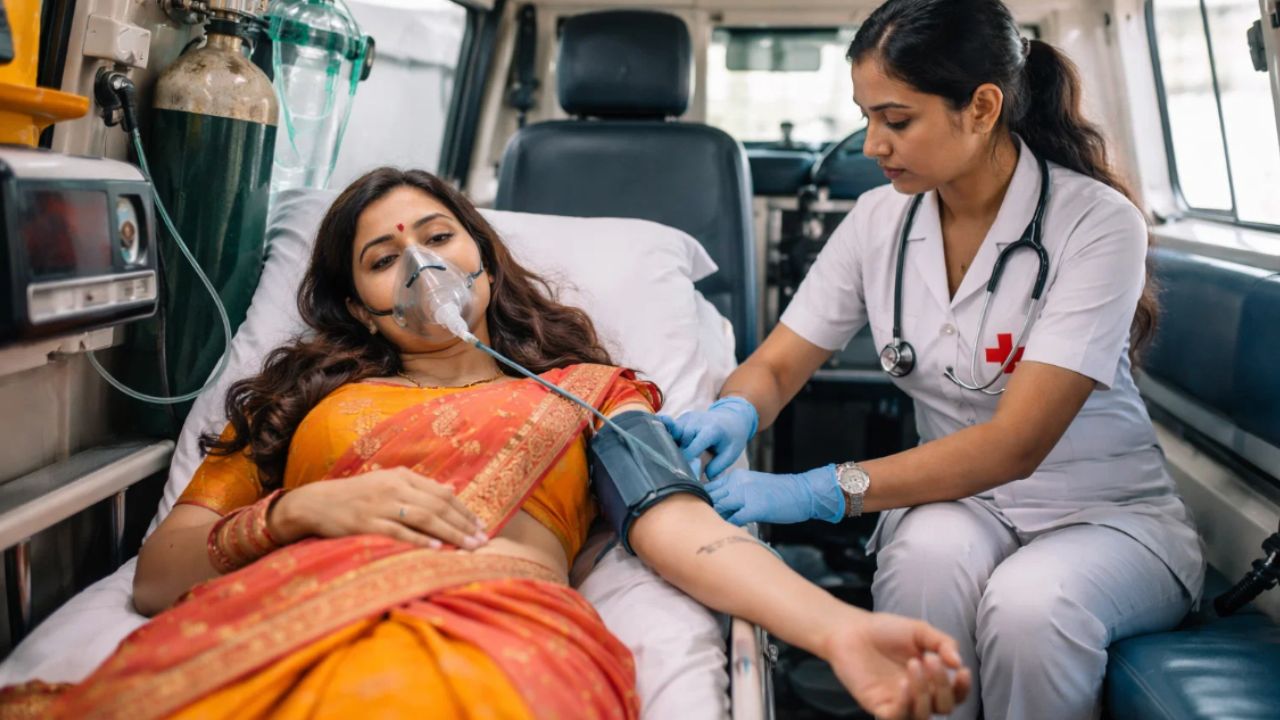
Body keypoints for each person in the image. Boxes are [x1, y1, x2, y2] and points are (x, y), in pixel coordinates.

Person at [0, 168, 968, 720]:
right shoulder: (297, 403)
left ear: (482, 256)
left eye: (438, 236)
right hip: (279, 608)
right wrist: (297, 512)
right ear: (359, 305)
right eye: (383, 258)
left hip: (491, 627)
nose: (420, 264)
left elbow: (680, 527)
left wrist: (835, 628)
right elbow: (160, 580)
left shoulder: (588, 393)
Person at [663, 2, 1203, 718]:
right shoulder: (879, 220)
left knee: (1031, 608)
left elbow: (1017, 445)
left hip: (1103, 513)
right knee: (923, 562)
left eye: (897, 119)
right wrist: (734, 410)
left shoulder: (1096, 224)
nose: (870, 145)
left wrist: (816, 490)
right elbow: (779, 365)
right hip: (960, 503)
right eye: (866, 117)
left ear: (982, 107)